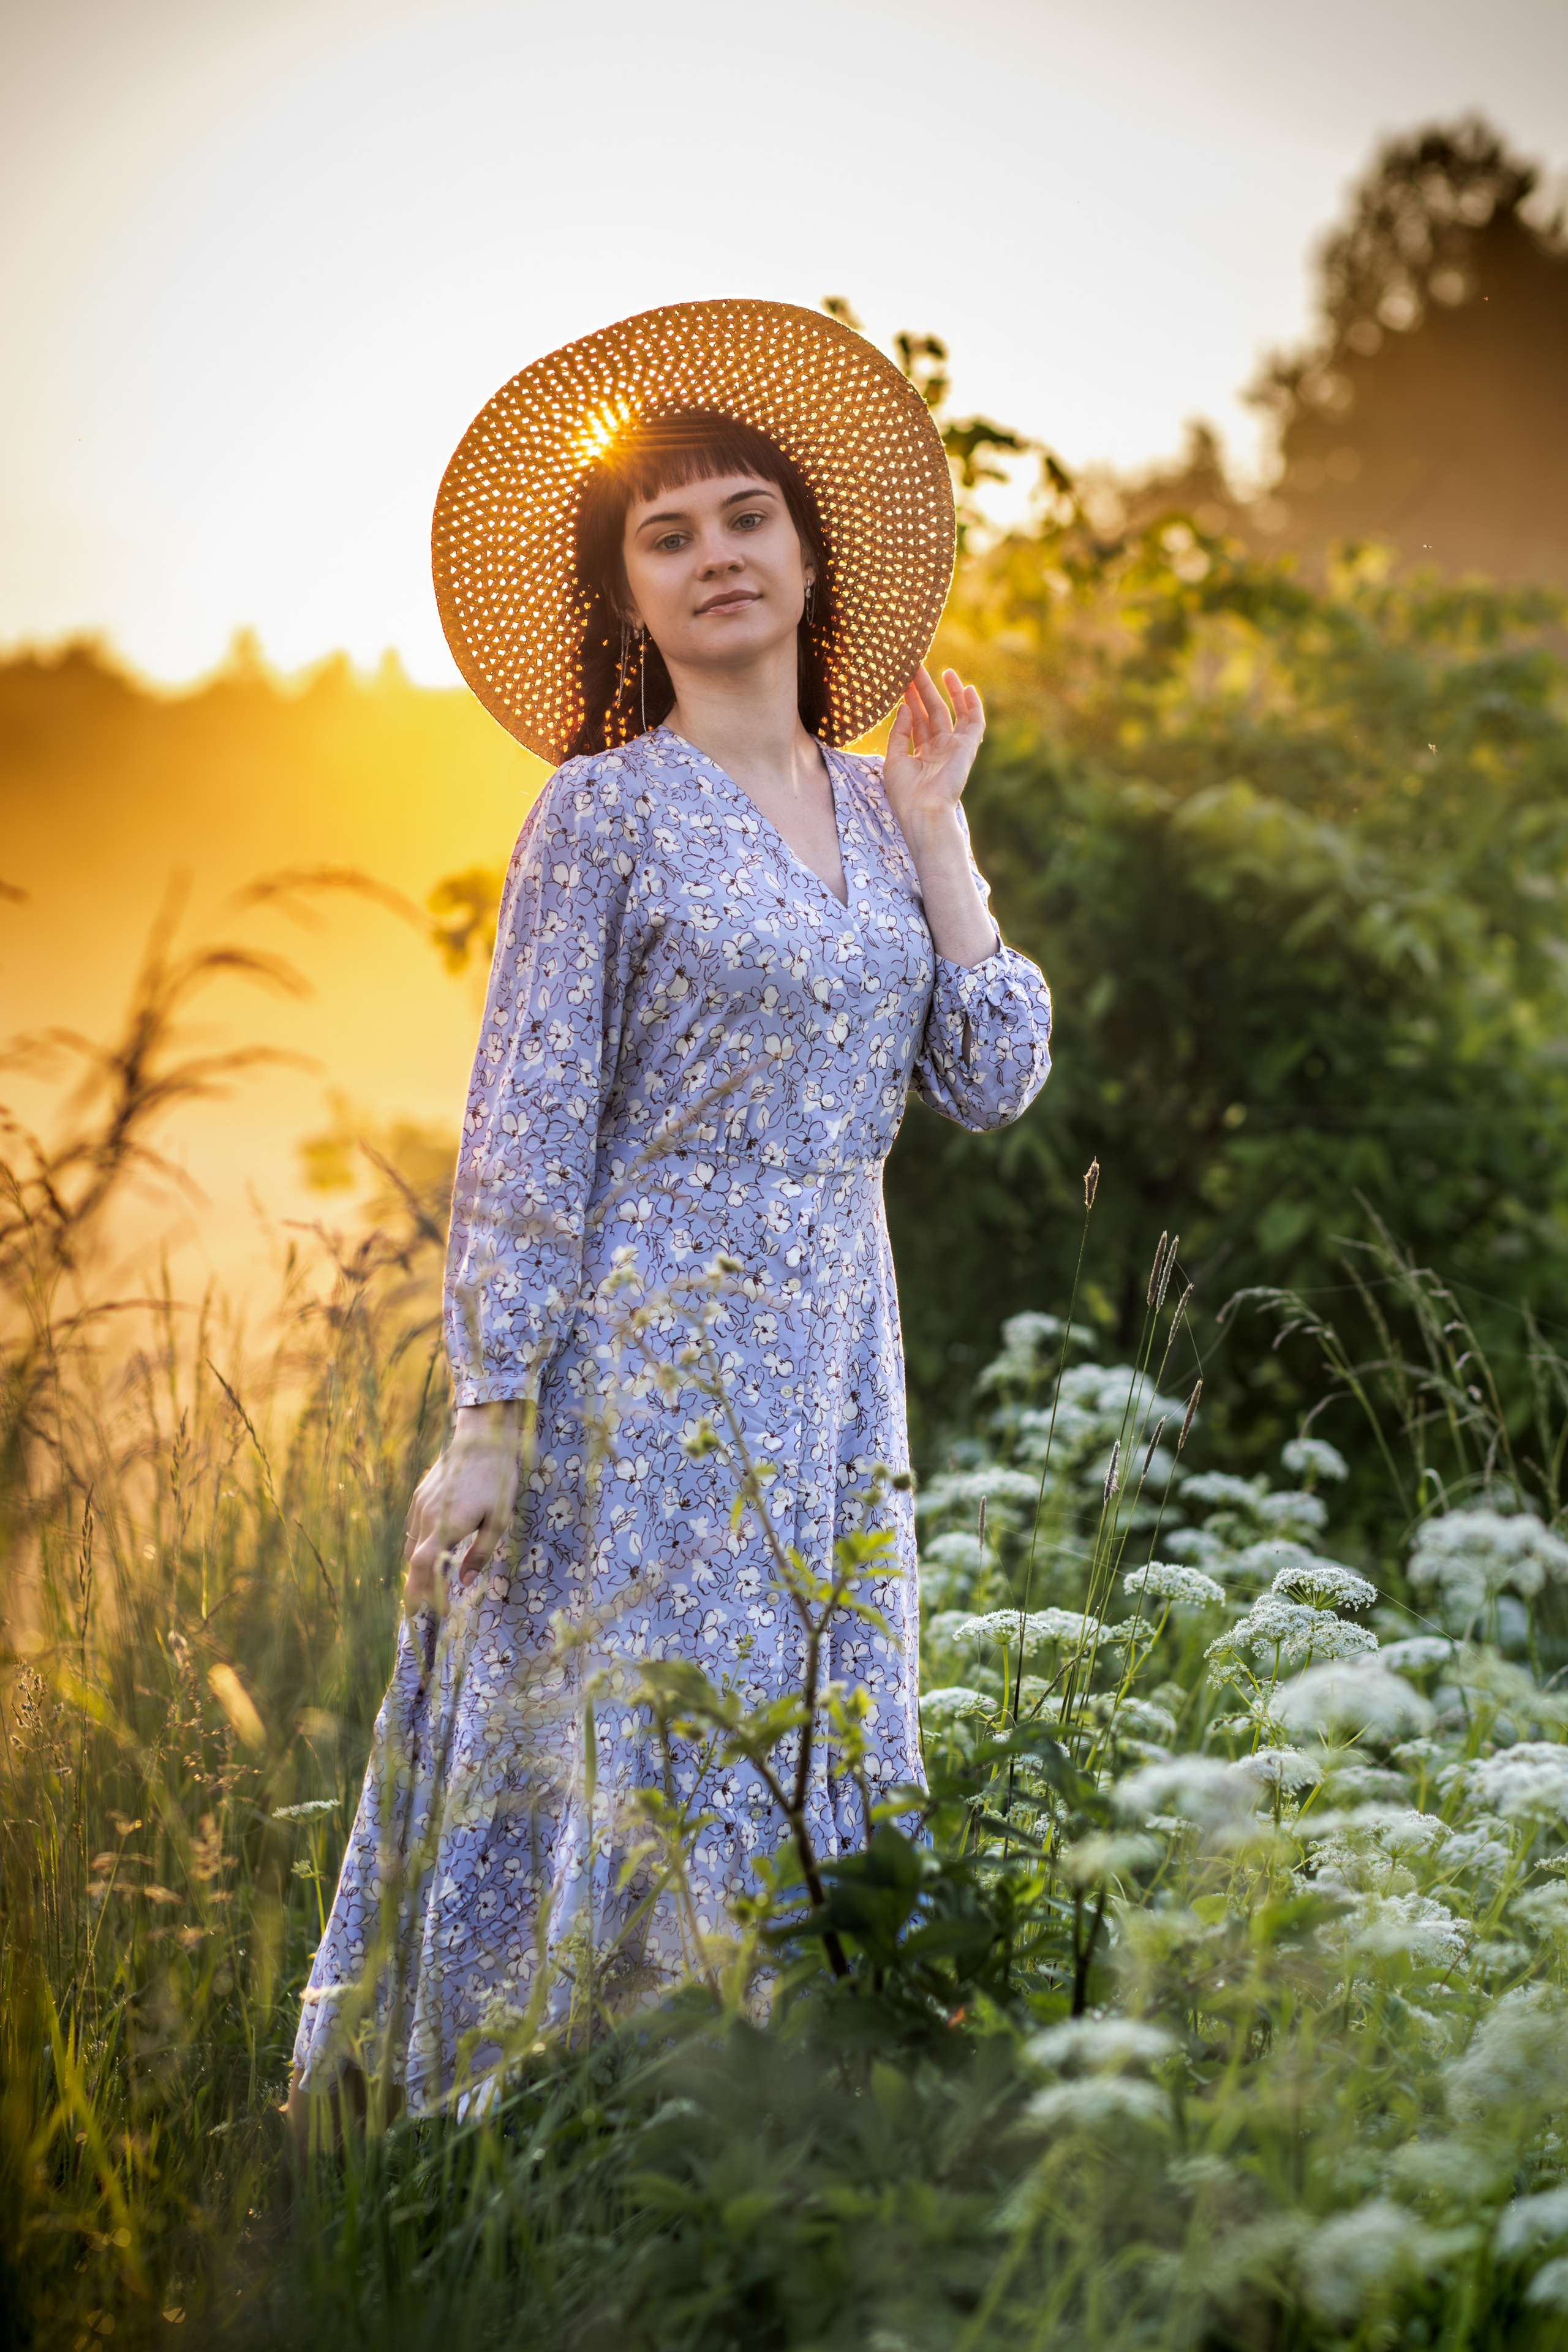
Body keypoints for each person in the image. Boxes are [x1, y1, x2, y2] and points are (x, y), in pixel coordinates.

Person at [288, 301, 1052, 2132]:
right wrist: (493, 1416)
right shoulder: (603, 813)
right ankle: (538, 2136)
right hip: (649, 1344)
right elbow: (533, 1124)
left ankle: (775, 2125)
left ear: (810, 554)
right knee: (630, 1710)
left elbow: (993, 1074)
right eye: (669, 533)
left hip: (836, 1357)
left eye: (745, 518)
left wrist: (946, 837)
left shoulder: (888, 809)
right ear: (628, 593)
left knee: (814, 1712)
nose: (716, 556)